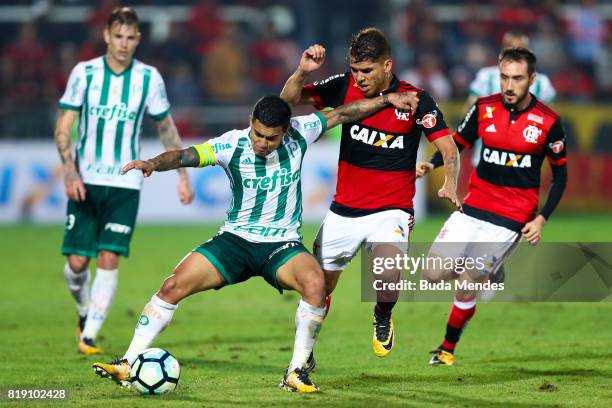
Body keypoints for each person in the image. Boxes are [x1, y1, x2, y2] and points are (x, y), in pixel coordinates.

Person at [91, 93, 418, 393]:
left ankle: (297, 370)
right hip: (234, 241)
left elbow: (345, 113)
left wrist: (388, 99)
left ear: (285, 131)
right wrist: (152, 164)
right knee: (173, 285)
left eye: (271, 137)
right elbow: (186, 155)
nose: (262, 142)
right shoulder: (231, 144)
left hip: (281, 245)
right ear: (250, 122)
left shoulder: (301, 133)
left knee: (316, 284)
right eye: (258, 133)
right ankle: (128, 361)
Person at [281, 27, 460, 361]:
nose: (359, 78)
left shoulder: (416, 99)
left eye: (367, 71)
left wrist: (449, 181)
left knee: (388, 272)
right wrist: (302, 71)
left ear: (387, 65)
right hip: (344, 210)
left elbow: (448, 148)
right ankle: (305, 352)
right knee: (319, 287)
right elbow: (288, 100)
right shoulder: (343, 87)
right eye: (355, 70)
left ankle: (382, 314)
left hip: (391, 209)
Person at [55, 7, 193, 355]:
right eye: (118, 36)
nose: (124, 44)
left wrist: (181, 174)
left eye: (131, 38)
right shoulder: (84, 73)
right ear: (106, 35)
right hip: (85, 179)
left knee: (109, 256)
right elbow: (64, 126)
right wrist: (69, 170)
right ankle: (84, 309)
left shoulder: (149, 78)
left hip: (125, 182)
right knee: (76, 265)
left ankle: (90, 334)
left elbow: (166, 128)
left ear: (138, 39)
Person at [417, 48, 568, 366]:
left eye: (517, 78)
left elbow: (560, 175)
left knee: (469, 279)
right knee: (432, 274)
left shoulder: (549, 122)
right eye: (504, 77)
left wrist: (541, 219)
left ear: (531, 80)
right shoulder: (483, 108)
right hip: (472, 207)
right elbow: (458, 141)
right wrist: (433, 164)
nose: (509, 85)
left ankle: (446, 349)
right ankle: (491, 268)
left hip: (511, 218)